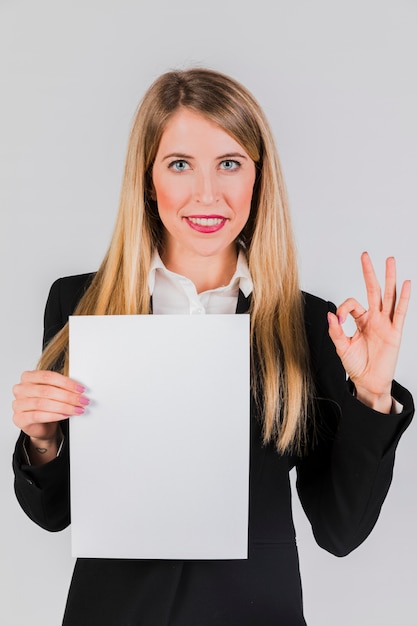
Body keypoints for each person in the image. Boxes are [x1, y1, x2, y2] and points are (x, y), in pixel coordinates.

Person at [12, 68, 414, 626]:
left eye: (229, 163)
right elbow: (52, 513)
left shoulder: (307, 324)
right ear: (149, 180)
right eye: (180, 165)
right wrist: (42, 438)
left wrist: (370, 396)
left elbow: (340, 531)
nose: (207, 193)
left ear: (258, 177)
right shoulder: (81, 303)